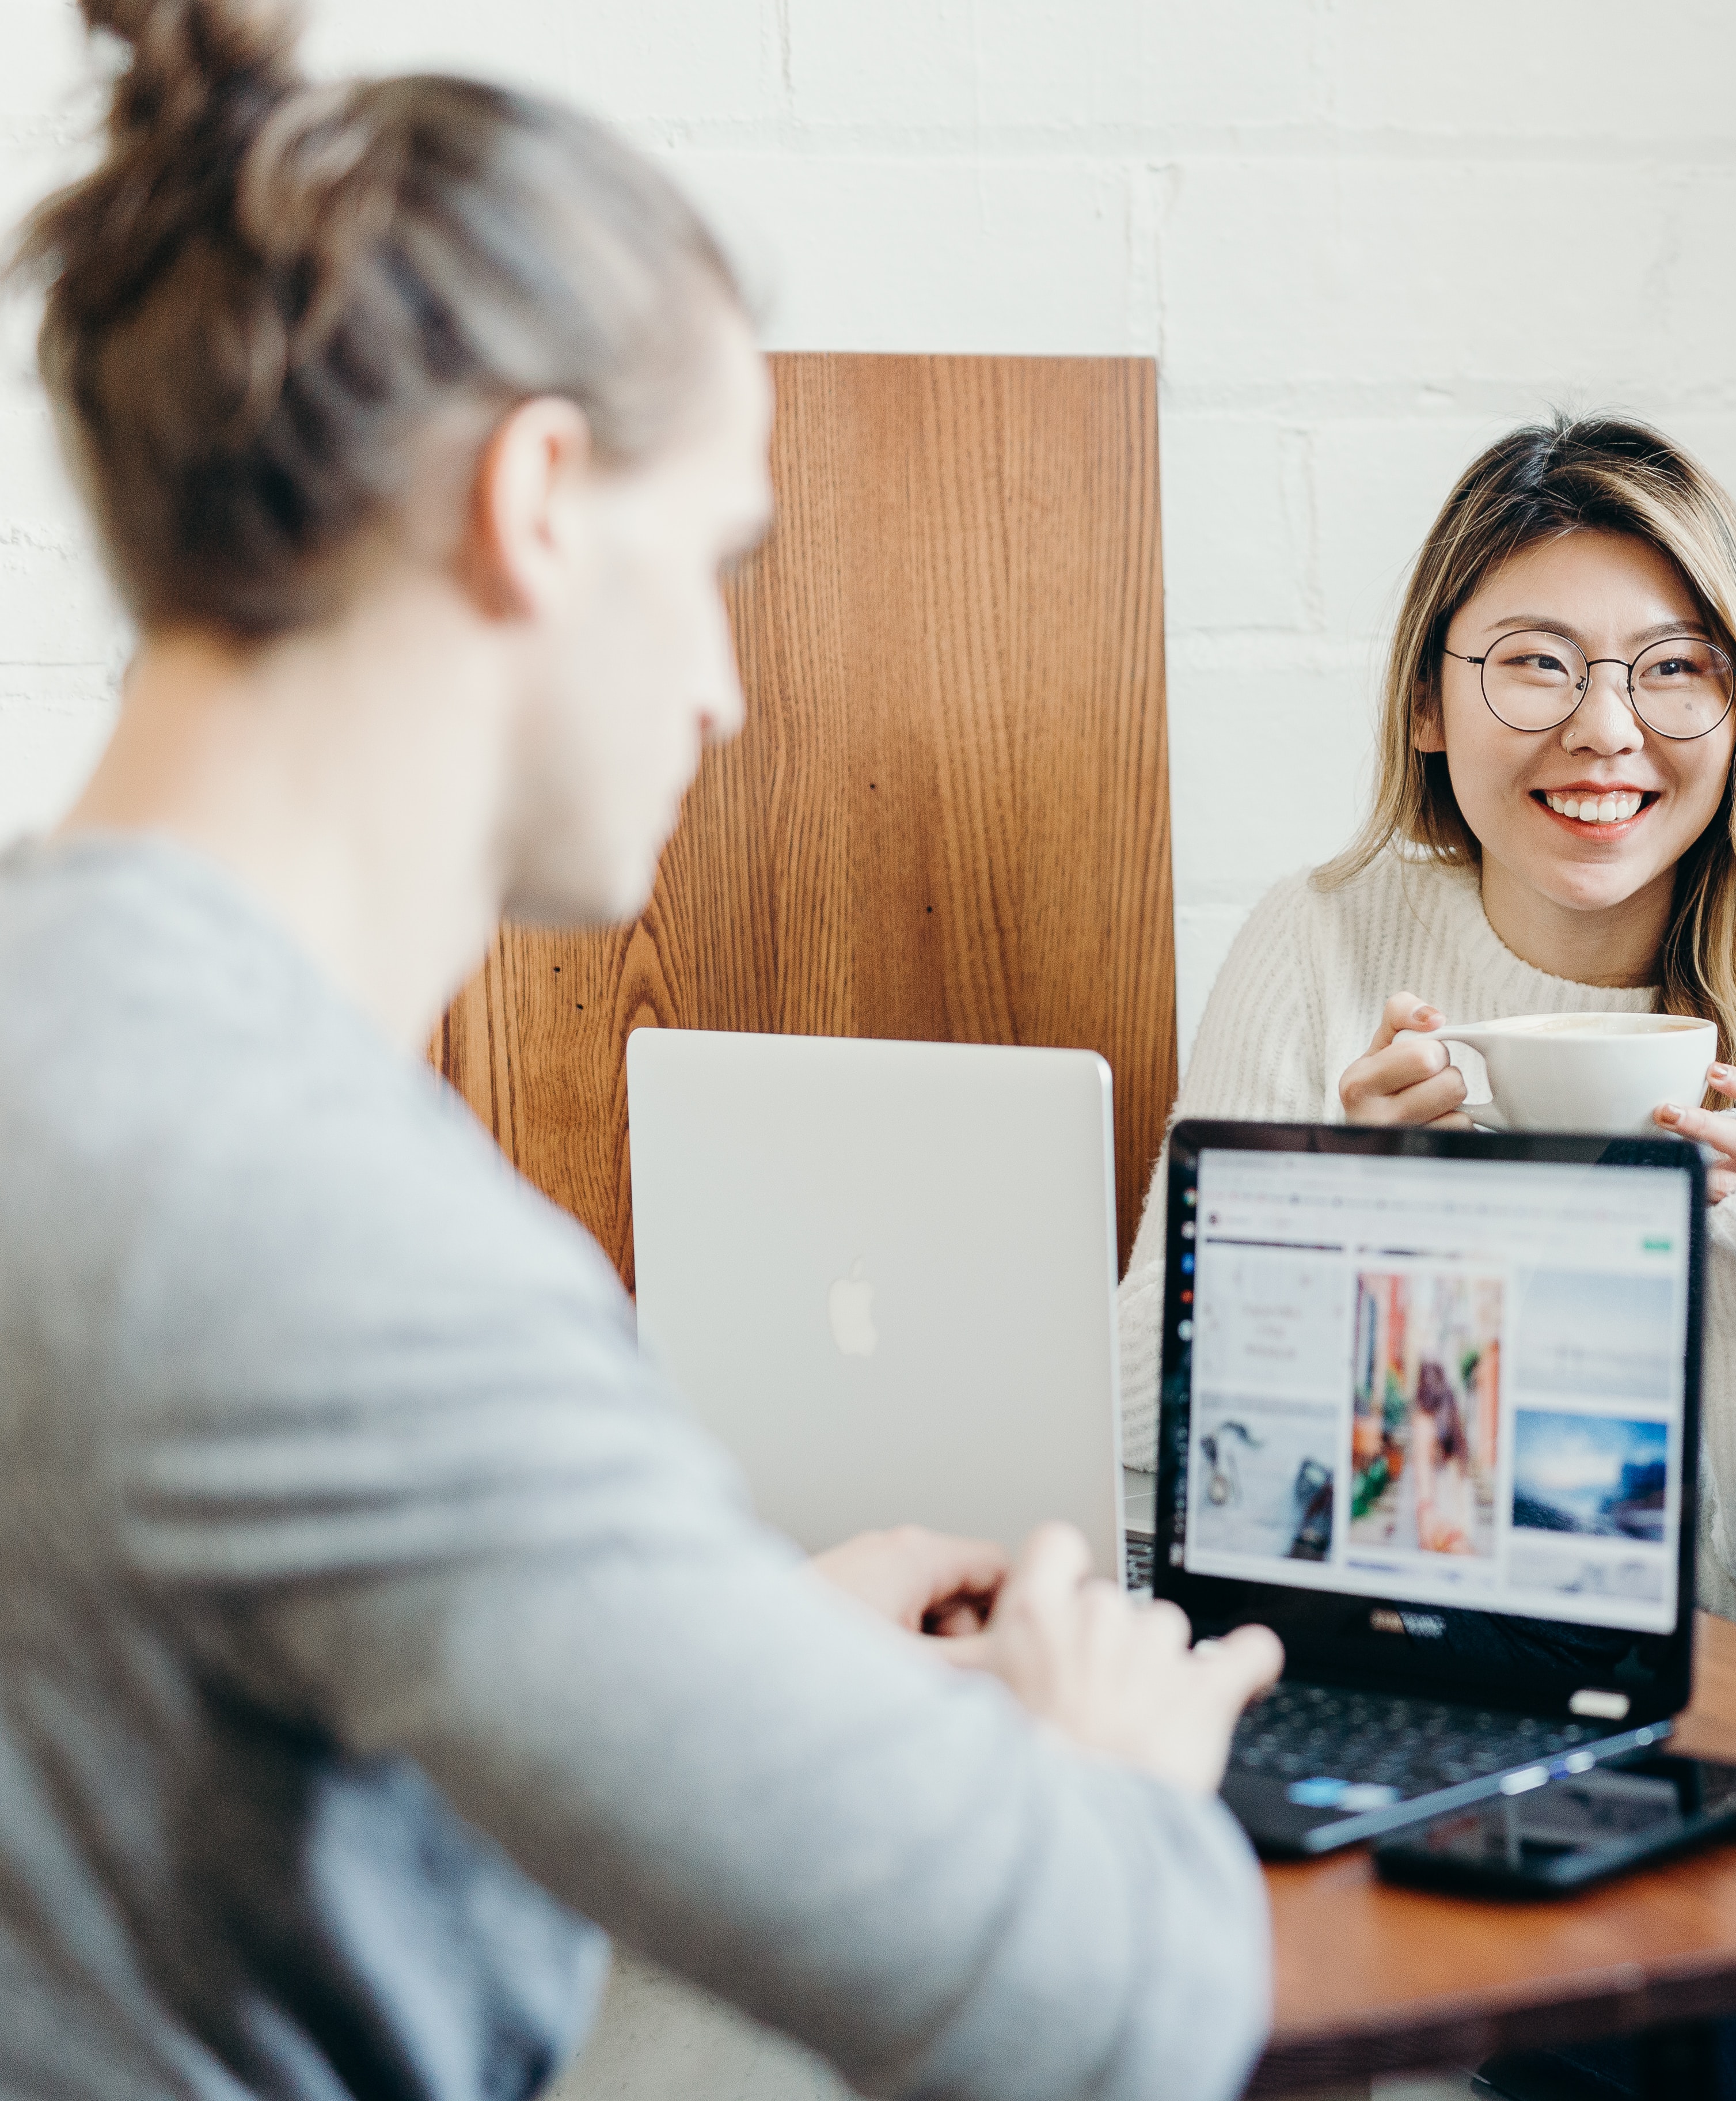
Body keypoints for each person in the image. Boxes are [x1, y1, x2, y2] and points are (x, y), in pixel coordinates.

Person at [0, 4, 1281, 2098]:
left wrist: (733, 1652)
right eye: (714, 568)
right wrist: (1112, 1770)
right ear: (536, 498)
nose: (722, 691)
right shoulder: (318, 1225)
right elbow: (1108, 2008)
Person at [1112, 418, 1736, 2099]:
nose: (1605, 729)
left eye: (1672, 671)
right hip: (1385, 1700)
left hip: (1716, 1744)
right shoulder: (1325, 952)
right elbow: (1149, 1462)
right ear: (1431, 701)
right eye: (1535, 665)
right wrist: (1345, 1226)